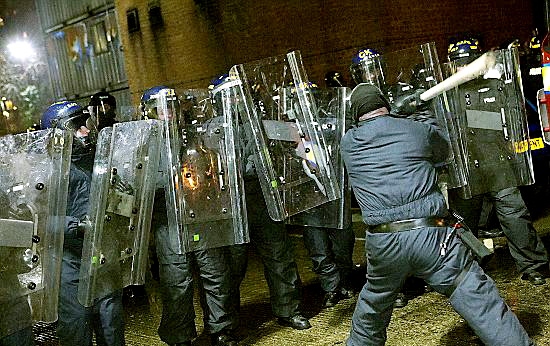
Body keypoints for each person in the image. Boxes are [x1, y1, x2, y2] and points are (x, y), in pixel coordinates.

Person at [341, 83, 535, 346]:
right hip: (431, 237)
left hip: (383, 242)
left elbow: (378, 138)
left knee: (373, 306)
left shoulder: (348, 143)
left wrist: (398, 117)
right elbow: (443, 150)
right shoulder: (414, 130)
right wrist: (421, 114)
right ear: (384, 103)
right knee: (476, 295)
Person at [208, 74, 312, 330]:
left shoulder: (257, 122)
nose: (234, 99)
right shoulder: (212, 129)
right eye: (229, 95)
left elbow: (279, 150)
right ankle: (226, 324)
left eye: (237, 93)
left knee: (278, 254)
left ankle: (289, 308)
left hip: (261, 195)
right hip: (231, 199)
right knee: (231, 266)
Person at [446, 37, 549, 286]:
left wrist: (469, 121)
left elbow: (508, 123)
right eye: (458, 63)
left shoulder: (496, 86)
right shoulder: (446, 94)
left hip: (497, 162)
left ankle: (532, 265)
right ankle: (463, 270)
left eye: (468, 62)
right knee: (463, 221)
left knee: (513, 213)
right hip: (465, 166)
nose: (463, 68)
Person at [141, 86, 238, 346]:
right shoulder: (144, 145)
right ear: (149, 113)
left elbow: (215, 168)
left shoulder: (195, 136)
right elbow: (139, 185)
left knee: (215, 273)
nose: (168, 113)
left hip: (201, 216)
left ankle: (221, 328)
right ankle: (179, 335)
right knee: (176, 281)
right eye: (161, 109)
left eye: (171, 107)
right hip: (169, 222)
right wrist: (169, 182)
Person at [41, 101, 125, 346]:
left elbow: (116, 199)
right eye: (76, 127)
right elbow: (40, 221)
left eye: (84, 124)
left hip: (102, 254)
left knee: (111, 321)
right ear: (59, 135)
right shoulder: (49, 172)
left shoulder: (98, 161)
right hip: (69, 261)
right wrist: (75, 226)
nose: (85, 131)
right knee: (77, 324)